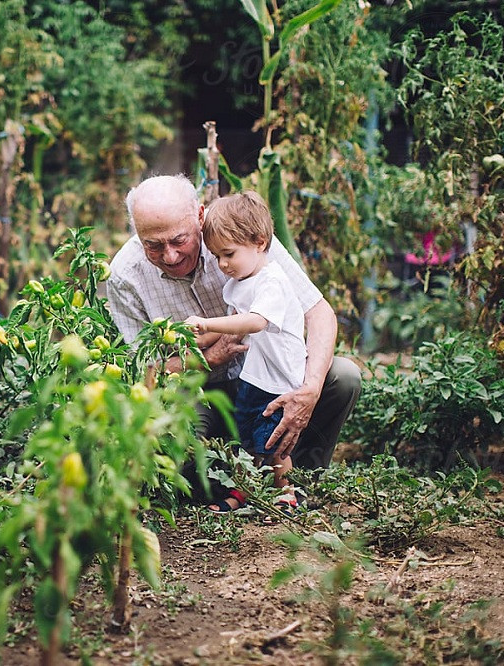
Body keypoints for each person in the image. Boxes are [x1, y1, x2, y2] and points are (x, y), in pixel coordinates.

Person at [105, 174, 361, 512]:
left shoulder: (238, 233)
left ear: (199, 216)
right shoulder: (125, 274)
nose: (169, 255)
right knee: (181, 447)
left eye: (179, 240)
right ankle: (237, 484)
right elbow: (147, 372)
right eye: (153, 244)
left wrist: (310, 388)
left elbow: (319, 313)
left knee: (342, 378)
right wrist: (208, 358)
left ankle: (298, 481)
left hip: (268, 380)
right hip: (200, 392)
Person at [183, 192, 306, 515]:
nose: (222, 264)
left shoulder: (272, 282)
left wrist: (206, 322)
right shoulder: (243, 280)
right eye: (216, 256)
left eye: (228, 254)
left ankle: (287, 492)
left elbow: (254, 322)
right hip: (255, 375)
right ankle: (245, 488)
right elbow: (232, 326)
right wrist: (194, 336)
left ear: (260, 243)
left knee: (273, 440)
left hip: (280, 379)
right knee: (246, 435)